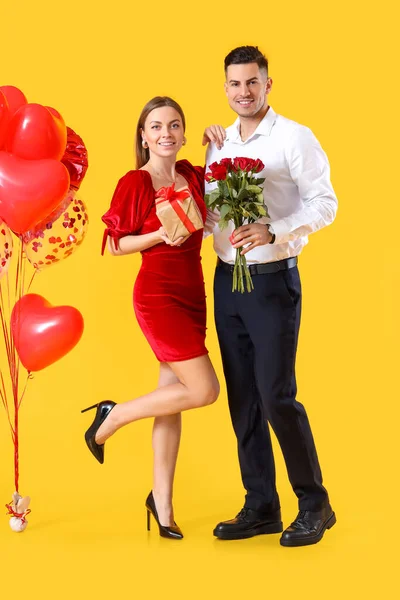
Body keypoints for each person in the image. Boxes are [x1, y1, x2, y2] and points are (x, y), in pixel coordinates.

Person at [203, 46, 338, 547]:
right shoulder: (217, 143)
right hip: (226, 281)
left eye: (252, 83)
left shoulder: (293, 138)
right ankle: (261, 504)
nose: (244, 92)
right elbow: (214, 214)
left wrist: (274, 229)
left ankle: (315, 504)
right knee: (243, 400)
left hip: (272, 280)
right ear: (226, 88)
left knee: (276, 396)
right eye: (235, 84)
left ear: (268, 84)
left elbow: (326, 203)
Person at [82, 96, 219, 540]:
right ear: (143, 135)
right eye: (156, 126)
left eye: (174, 125)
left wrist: (218, 142)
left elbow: (214, 208)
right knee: (203, 390)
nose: (166, 133)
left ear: (182, 133)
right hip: (157, 296)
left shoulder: (190, 175)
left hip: (193, 294)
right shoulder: (135, 182)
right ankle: (113, 415)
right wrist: (161, 232)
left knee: (173, 395)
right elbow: (112, 245)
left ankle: (161, 503)